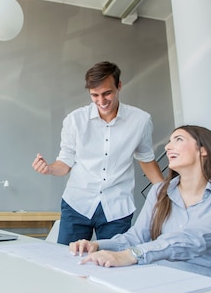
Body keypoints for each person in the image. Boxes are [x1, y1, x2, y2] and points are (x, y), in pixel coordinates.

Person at [70, 125, 211, 280]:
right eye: (169, 142)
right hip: (159, 276)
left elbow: (194, 239)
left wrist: (132, 255)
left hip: (205, 280)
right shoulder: (159, 191)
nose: (168, 147)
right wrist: (97, 245)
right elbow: (136, 237)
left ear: (203, 150)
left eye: (178, 139)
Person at [32, 61, 163, 244]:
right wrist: (49, 169)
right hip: (77, 203)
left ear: (119, 85)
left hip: (117, 208)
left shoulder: (140, 120)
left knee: (112, 265)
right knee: (66, 262)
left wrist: (167, 193)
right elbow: (65, 162)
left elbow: (146, 159)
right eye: (95, 95)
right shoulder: (74, 120)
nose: (101, 101)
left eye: (107, 93)